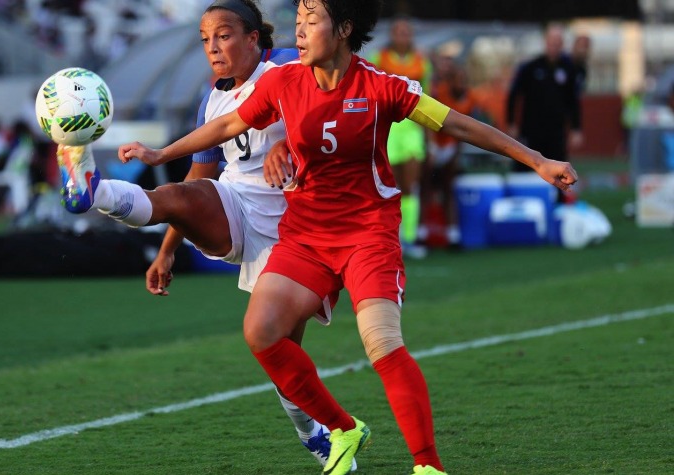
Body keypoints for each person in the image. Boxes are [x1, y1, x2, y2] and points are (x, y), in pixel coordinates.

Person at [71, 1, 576, 473]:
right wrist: (161, 155)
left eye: (310, 20)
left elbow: (460, 126)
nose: (299, 29)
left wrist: (538, 160)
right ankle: (342, 429)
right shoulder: (287, 81)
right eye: (297, 20)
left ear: (343, 29)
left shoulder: (384, 87)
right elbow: (227, 124)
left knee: (381, 343)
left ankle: (427, 465)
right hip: (305, 234)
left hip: (366, 233)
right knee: (261, 331)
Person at [55, 0, 354, 470]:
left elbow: (330, 111)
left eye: (224, 35)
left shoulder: (293, 68)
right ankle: (91, 189)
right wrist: (166, 251)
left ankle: (314, 433)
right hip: (235, 205)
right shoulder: (212, 98)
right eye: (204, 39)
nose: (212, 48)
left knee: (281, 352)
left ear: (254, 39)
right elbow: (199, 177)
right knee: (181, 193)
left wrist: (288, 147)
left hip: (297, 229)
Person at [369, 17, 432, 259]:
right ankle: (391, 238)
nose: (403, 37)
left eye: (407, 32)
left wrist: (429, 137)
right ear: (393, 35)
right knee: (389, 187)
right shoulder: (379, 59)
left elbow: (428, 98)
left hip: (413, 129)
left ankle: (410, 238)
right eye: (399, 32)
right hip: (388, 129)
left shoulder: (422, 62)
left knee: (410, 186)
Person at [507, 24, 583, 178]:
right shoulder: (531, 67)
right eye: (551, 41)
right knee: (524, 169)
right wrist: (511, 122)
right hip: (531, 130)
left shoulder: (569, 69)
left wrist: (576, 128)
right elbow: (514, 95)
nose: (554, 45)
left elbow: (573, 101)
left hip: (556, 132)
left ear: (562, 44)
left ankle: (557, 200)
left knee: (558, 171)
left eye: (558, 41)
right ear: (546, 42)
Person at [421, 64, 476, 248]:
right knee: (425, 187)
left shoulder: (469, 98)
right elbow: (426, 119)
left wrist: (455, 153)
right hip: (434, 144)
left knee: (448, 187)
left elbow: (466, 129)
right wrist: (431, 147)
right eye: (458, 79)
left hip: (451, 145)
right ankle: (420, 233)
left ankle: (453, 235)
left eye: (464, 79)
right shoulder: (439, 93)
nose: (461, 83)